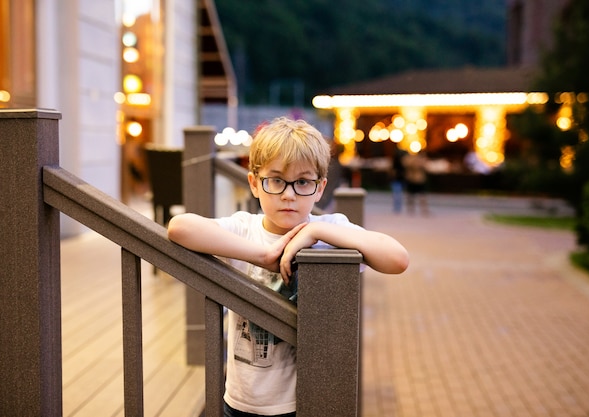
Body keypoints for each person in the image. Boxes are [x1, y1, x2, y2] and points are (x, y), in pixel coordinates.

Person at [167, 117, 409, 417]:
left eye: (303, 182)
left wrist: (316, 233)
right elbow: (179, 227)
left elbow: (397, 259)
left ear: (320, 188)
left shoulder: (331, 230)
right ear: (255, 183)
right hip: (241, 400)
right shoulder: (245, 230)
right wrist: (261, 255)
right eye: (276, 180)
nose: (289, 194)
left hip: (305, 401)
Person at [402, 150, 429, 215]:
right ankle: (411, 209)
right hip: (411, 179)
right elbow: (405, 164)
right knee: (410, 196)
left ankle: (424, 210)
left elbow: (425, 166)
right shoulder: (408, 158)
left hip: (419, 179)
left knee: (422, 195)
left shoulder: (422, 158)